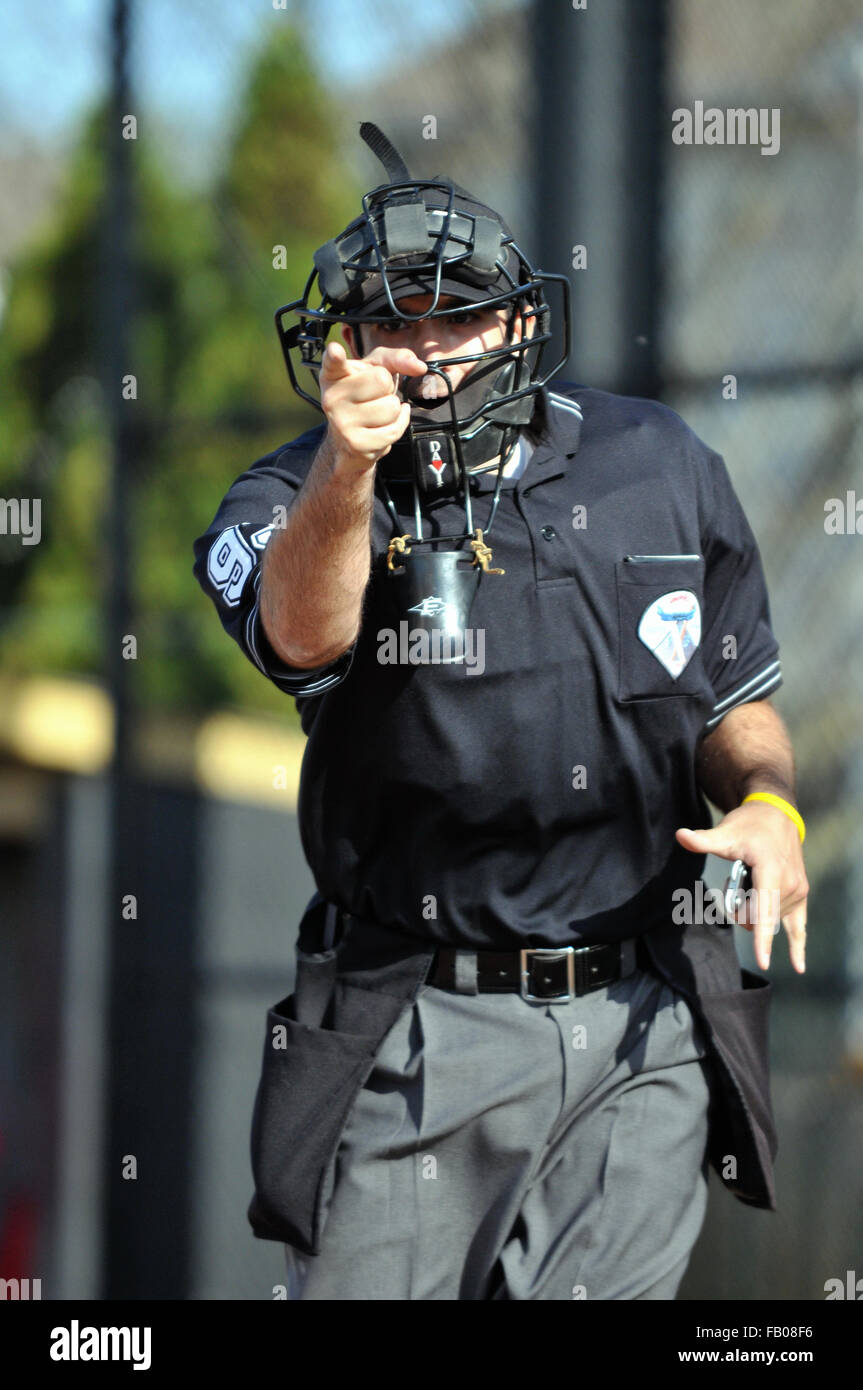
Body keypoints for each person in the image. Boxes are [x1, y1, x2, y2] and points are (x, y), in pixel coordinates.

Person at [192, 124, 809, 1301]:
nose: (422, 355)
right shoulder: (293, 491)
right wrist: (345, 475)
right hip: (418, 1025)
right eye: (389, 325)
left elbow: (737, 697)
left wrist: (770, 804)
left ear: (521, 322)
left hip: (643, 1018)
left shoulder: (658, 462)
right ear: (342, 345)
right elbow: (299, 636)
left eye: (455, 318)